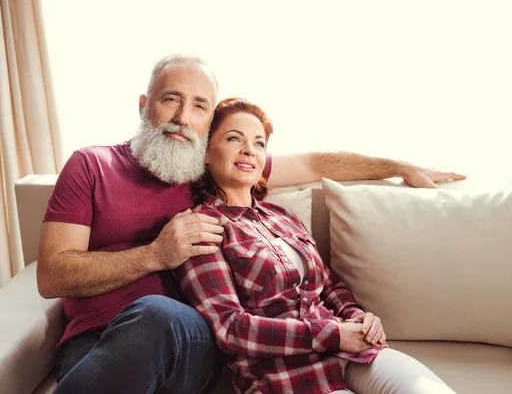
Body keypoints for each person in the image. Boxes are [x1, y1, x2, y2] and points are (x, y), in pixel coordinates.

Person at [38, 54, 465, 394]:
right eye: (171, 99)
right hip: (96, 340)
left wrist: (400, 166)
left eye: (199, 106)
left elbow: (317, 162)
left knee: (159, 314)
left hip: (190, 340)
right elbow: (52, 275)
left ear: (207, 127)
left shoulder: (210, 171)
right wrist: (155, 255)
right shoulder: (92, 165)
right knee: (149, 320)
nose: (183, 117)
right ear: (144, 105)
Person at [173, 97, 456, 394]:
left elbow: (328, 284)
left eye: (259, 143)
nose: (249, 151)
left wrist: (358, 316)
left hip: (350, 354)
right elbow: (231, 329)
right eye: (234, 138)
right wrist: (333, 334)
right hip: (285, 375)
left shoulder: (282, 216)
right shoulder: (203, 227)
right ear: (205, 152)